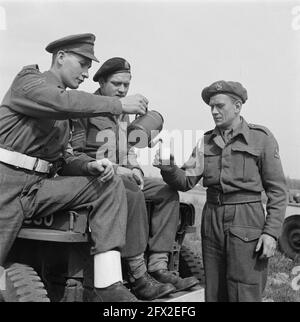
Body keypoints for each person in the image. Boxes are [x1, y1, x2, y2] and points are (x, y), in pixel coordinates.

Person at [0, 33, 150, 302]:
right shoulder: (29, 82)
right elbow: (62, 102)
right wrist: (118, 104)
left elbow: (65, 159)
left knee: (109, 184)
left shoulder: (64, 117)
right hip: (5, 184)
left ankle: (108, 286)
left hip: (38, 188)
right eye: (82, 63)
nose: (86, 72)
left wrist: (90, 165)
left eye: (89, 66)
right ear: (60, 57)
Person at [70, 57, 199, 294]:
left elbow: (126, 149)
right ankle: (138, 276)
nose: (122, 90)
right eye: (116, 83)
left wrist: (136, 169)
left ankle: (159, 266)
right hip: (95, 175)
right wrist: (118, 170)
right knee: (132, 194)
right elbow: (76, 155)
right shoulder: (85, 106)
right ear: (101, 81)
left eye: (126, 85)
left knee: (167, 192)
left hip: (123, 173)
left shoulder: (124, 113)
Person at [154, 80, 288, 302]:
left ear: (237, 106)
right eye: (211, 107)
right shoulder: (206, 142)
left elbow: (278, 190)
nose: (214, 111)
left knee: (244, 288)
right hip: (212, 217)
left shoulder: (261, 138)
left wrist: (271, 232)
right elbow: (186, 181)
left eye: (220, 106)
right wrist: (168, 166)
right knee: (214, 290)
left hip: (246, 218)